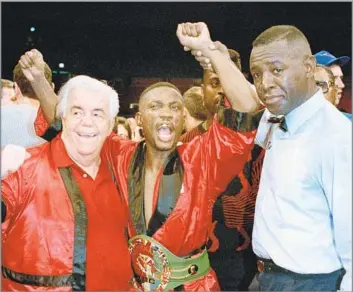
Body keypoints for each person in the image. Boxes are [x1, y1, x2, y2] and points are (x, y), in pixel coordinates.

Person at [21, 51, 260, 291]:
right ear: (140, 118)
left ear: (182, 117)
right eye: (155, 106)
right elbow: (66, 128)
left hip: (192, 286)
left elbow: (244, 111)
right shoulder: (118, 154)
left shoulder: (201, 159)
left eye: (174, 107)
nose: (166, 113)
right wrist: (39, 80)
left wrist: (213, 53)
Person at [181, 22, 351, 291]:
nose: (265, 84)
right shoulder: (281, 118)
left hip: (312, 283)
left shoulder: (338, 137)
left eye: (277, 70)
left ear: (309, 66)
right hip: (266, 276)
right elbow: (247, 103)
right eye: (257, 74)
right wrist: (212, 52)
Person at [1, 75, 134, 291]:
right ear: (62, 118)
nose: (87, 122)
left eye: (97, 114)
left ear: (110, 125)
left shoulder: (122, 171)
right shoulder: (24, 169)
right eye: (77, 112)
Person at [180, 46, 262, 291]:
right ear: (201, 88)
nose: (222, 90)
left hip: (250, 260)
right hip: (199, 261)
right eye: (214, 82)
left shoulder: (260, 139)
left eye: (228, 81)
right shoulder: (187, 143)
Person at [314, 50, 351, 119]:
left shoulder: (348, 122)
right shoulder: (291, 124)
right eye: (333, 78)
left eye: (341, 78)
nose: (342, 85)